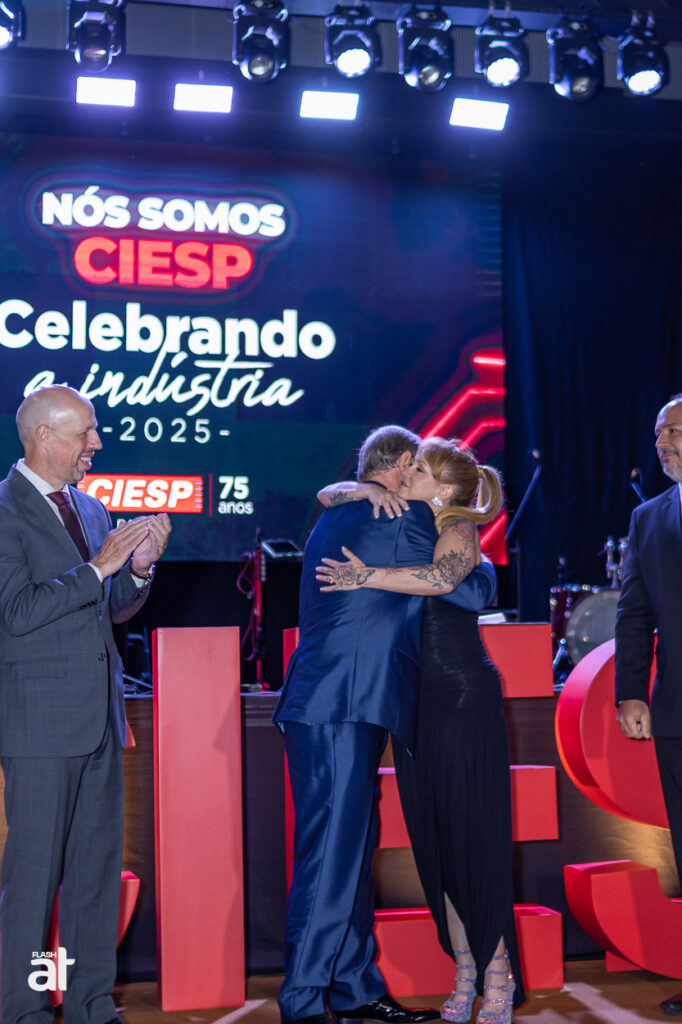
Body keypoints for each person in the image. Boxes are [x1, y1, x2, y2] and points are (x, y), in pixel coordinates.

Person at [273, 426, 496, 1024]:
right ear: (397, 468)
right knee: (331, 855)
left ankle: (354, 988)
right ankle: (303, 1000)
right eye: (415, 466)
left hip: (329, 701)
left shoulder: (338, 511)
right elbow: (468, 590)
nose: (417, 476)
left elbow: (333, 495)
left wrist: (346, 489)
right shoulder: (407, 516)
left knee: (345, 850)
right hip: (344, 703)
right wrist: (475, 554)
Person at [317, 438, 524, 1024]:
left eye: (419, 468)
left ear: (446, 488)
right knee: (435, 849)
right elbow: (327, 494)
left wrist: (367, 576)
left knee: (473, 843)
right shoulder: (402, 519)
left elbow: (440, 578)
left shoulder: (456, 526)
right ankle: (464, 972)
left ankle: (498, 977)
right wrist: (359, 488)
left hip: (461, 697)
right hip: (412, 705)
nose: (406, 473)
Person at [0, 385, 171, 1024]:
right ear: (44, 436)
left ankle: (93, 1005)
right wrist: (99, 568)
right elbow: (17, 613)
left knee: (96, 874)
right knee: (33, 878)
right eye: (85, 433)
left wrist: (139, 570)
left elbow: (112, 609)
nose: (95, 444)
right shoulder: (5, 510)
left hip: (100, 721)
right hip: (39, 724)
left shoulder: (93, 509)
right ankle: (22, 1010)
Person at [615, 393, 682, 1016]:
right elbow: (634, 612)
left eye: (674, 432)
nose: (662, 444)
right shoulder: (649, 517)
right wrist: (631, 690)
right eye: (660, 434)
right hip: (676, 710)